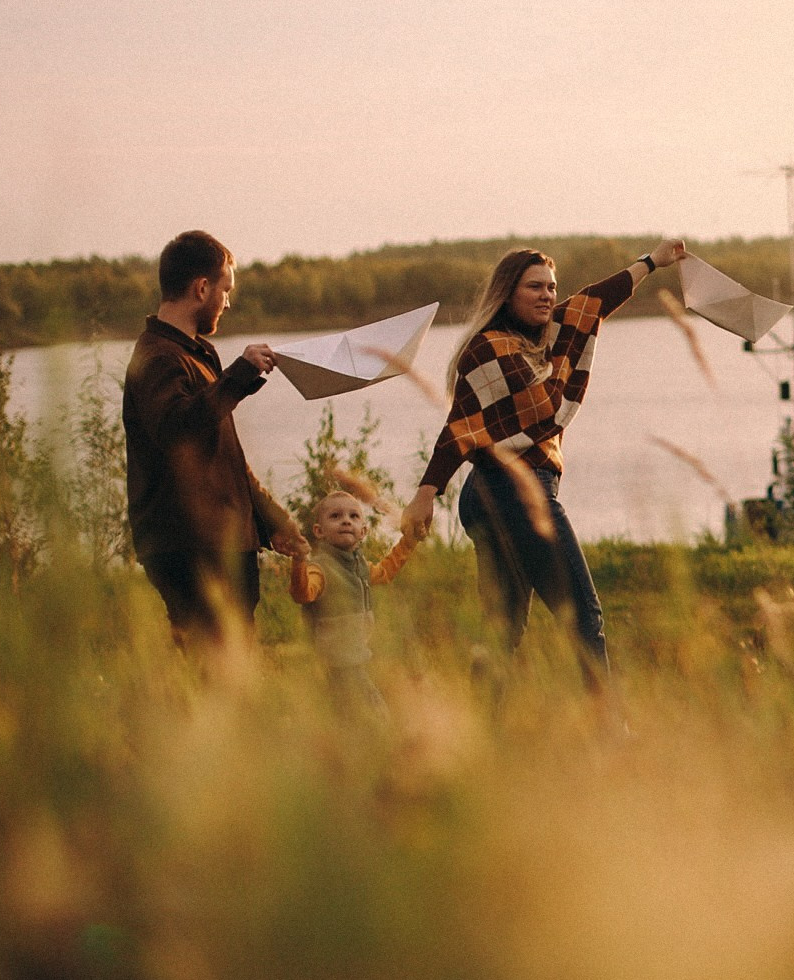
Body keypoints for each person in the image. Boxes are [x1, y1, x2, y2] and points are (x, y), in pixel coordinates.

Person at [401, 239, 687, 682]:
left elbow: (595, 300)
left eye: (552, 288)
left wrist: (651, 263)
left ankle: (481, 730)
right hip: (514, 489)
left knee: (503, 630)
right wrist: (425, 493)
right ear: (507, 292)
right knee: (582, 616)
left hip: (497, 492)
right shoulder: (490, 348)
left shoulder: (545, 340)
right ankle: (608, 732)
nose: (547, 296)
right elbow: (464, 426)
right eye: (534, 287)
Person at [123, 230, 306, 648]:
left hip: (221, 542)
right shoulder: (157, 358)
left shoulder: (198, 355)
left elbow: (225, 459)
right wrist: (238, 376)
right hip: (190, 547)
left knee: (233, 670)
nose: (228, 301)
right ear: (201, 288)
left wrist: (270, 519)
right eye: (225, 290)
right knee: (215, 675)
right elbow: (175, 430)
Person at [289, 490, 416, 720]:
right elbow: (303, 593)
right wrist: (299, 562)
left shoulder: (360, 566)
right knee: (375, 717)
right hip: (334, 666)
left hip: (355, 661)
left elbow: (386, 571)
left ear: (363, 531)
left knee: (348, 719)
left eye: (354, 516)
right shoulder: (320, 568)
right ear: (319, 531)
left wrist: (409, 541)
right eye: (335, 516)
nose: (346, 520)